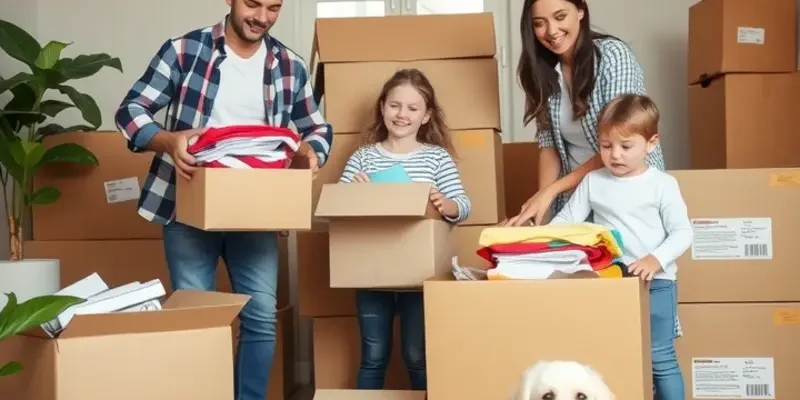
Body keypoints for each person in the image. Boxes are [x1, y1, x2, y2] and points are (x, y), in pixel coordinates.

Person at [113, 1, 332, 400]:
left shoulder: (289, 64)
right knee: (199, 319)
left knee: (261, 317)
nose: (262, 17)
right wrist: (168, 141)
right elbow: (130, 111)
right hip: (189, 206)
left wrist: (312, 153)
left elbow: (316, 128)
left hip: (256, 211)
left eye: (274, 8)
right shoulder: (184, 51)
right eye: (252, 4)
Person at [549, 94, 691, 400]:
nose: (615, 155)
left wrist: (655, 259)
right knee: (609, 355)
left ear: (651, 144)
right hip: (610, 283)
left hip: (656, 283)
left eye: (626, 147)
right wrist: (536, 240)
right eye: (606, 145)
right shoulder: (593, 181)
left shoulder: (662, 184)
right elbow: (567, 221)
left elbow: (683, 233)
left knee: (660, 359)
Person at [338, 68, 471, 390]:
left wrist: (446, 203)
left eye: (413, 108)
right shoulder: (363, 157)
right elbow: (336, 209)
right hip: (370, 273)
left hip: (419, 277)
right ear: (382, 107)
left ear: (426, 116)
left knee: (416, 355)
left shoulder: (437, 159)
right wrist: (351, 192)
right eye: (395, 105)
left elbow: (464, 205)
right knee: (373, 355)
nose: (402, 114)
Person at [504, 0, 665, 226]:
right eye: (540, 23)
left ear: (580, 11)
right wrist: (542, 210)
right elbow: (549, 144)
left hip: (628, 187)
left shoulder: (613, 57)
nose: (551, 31)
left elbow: (623, 140)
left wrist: (552, 191)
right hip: (577, 195)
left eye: (560, 17)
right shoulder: (542, 71)